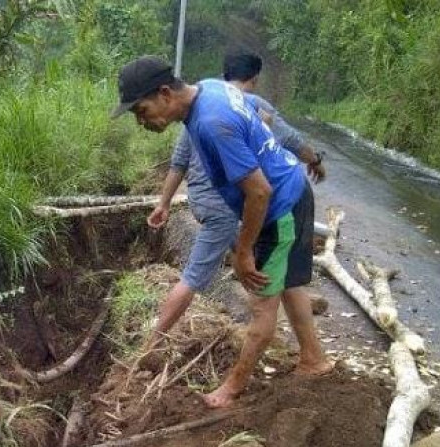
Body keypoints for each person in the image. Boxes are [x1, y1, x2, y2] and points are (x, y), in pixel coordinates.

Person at [113, 56, 333, 409]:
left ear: (165, 93)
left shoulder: (213, 122)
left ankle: (232, 388)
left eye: (141, 110)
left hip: (279, 207)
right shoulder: (210, 90)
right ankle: (314, 359)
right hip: (293, 186)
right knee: (289, 284)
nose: (141, 121)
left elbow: (259, 192)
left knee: (261, 301)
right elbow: (261, 123)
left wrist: (243, 252)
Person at [146, 52, 326, 347]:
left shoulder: (206, 94)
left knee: (274, 273)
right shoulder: (239, 104)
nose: (143, 121)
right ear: (254, 79)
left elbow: (179, 162)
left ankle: (309, 353)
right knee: (207, 274)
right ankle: (151, 345)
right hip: (232, 206)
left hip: (214, 203)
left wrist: (164, 203)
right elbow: (289, 142)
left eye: (142, 112)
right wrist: (316, 160)